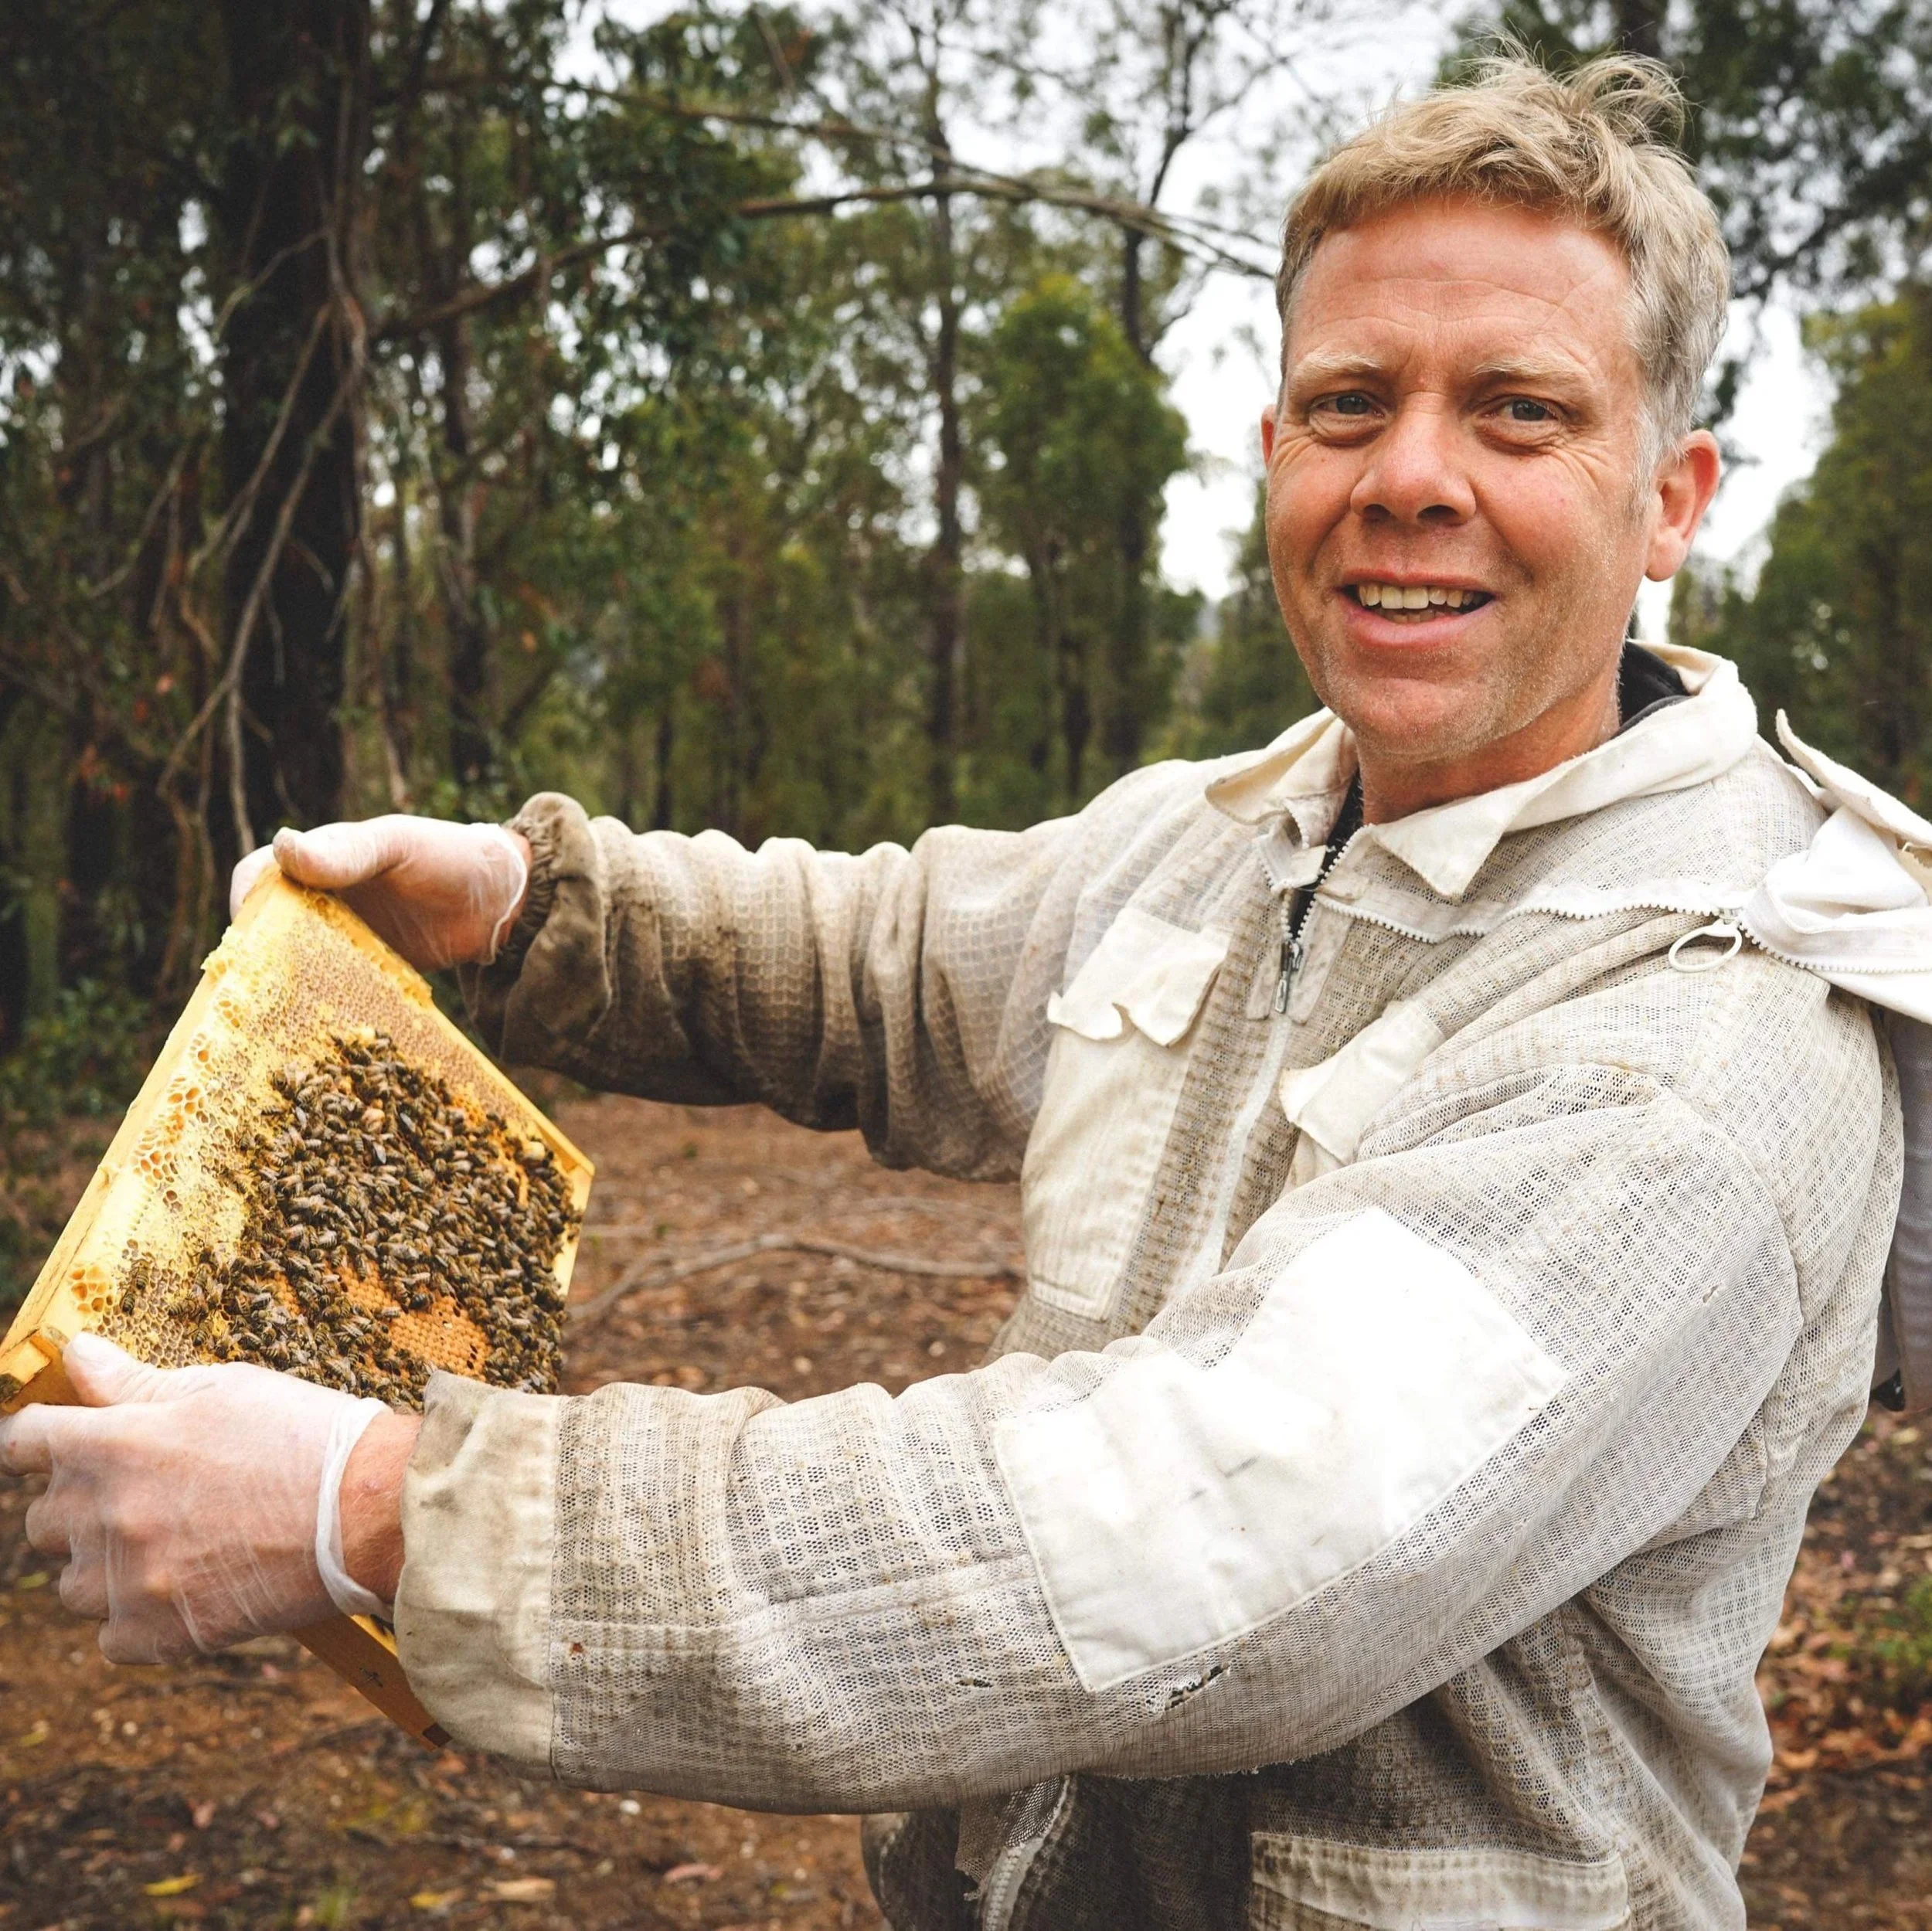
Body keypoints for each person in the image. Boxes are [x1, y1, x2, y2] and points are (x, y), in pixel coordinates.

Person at [2, 53, 1910, 1931]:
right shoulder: (1240, 828)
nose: (1409, 476)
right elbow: (890, 956)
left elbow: (1179, 1543)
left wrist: (389, 1500)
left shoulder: (1707, 1033)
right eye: (1348, 402)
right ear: (1273, 453)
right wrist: (530, 899)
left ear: (1667, 498)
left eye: (1514, 411)